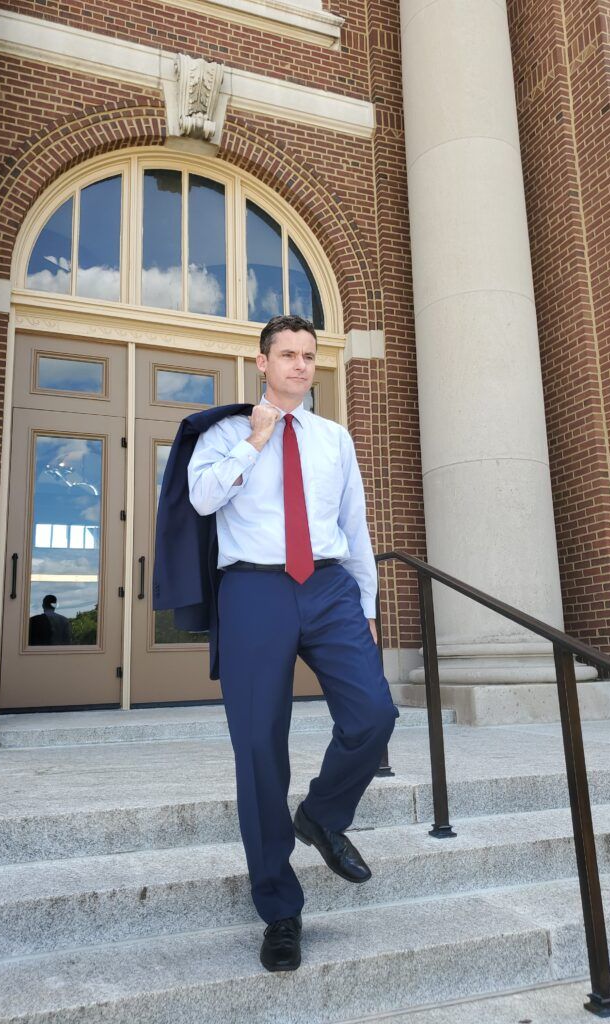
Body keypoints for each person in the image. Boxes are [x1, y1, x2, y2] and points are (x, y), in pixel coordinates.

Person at [187, 313, 399, 973]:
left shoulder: (334, 437)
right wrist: (254, 441)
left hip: (329, 586)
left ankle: (323, 814)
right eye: (287, 355)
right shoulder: (222, 433)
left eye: (310, 356)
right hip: (253, 591)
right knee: (258, 749)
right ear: (262, 363)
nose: (301, 366)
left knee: (373, 714)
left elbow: (354, 524)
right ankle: (280, 908)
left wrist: (365, 603)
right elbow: (200, 500)